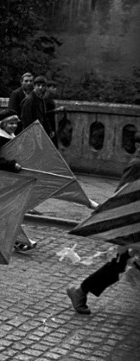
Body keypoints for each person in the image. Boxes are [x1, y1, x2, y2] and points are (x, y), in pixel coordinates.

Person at [66, 133, 140, 315]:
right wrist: (121, 232)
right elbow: (122, 197)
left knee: (122, 265)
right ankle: (80, 291)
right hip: (134, 226)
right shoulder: (137, 165)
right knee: (119, 264)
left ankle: (80, 291)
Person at [0, 109, 37, 252]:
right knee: (5, 211)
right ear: (3, 124)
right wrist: (11, 165)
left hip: (7, 179)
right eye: (10, 123)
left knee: (6, 211)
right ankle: (16, 241)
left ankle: (15, 240)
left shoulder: (11, 136)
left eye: (15, 123)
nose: (13, 126)